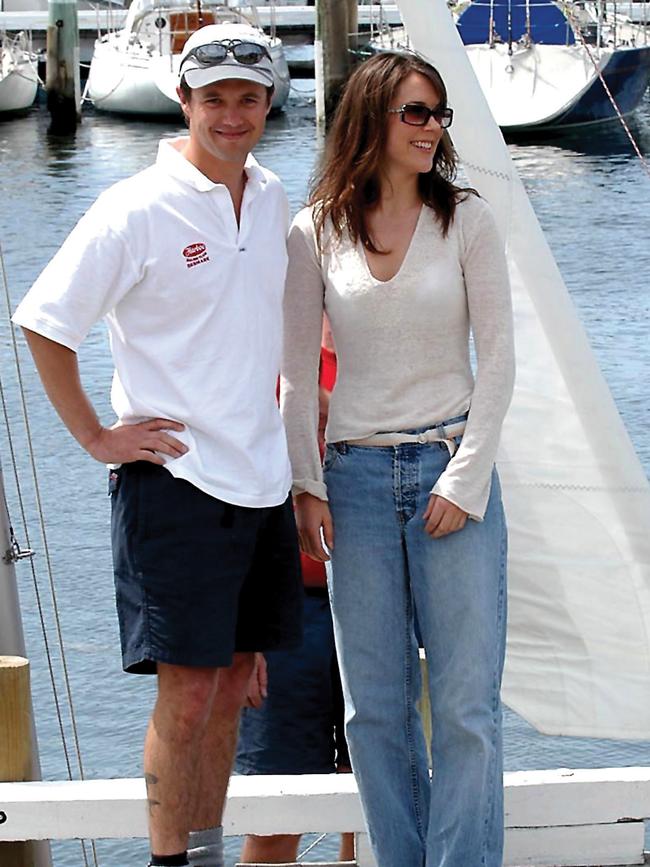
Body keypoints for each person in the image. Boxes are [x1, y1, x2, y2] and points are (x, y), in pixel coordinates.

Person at [12, 22, 302, 867]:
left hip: (262, 483)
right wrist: (97, 436)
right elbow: (43, 321)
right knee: (187, 698)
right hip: (173, 483)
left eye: (249, 98)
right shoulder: (134, 207)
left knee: (227, 697)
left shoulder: (276, 194)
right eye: (215, 99)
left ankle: (203, 856)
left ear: (269, 101)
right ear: (186, 102)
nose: (233, 115)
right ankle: (171, 862)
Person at [280, 51, 515, 867]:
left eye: (439, 113)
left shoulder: (468, 220)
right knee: (372, 712)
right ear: (372, 118)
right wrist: (307, 485)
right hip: (353, 480)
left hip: (451, 474)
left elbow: (501, 363)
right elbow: (297, 376)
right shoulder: (314, 230)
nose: (433, 128)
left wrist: (466, 477)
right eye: (416, 112)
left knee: (464, 711)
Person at [236, 335, 354, 866]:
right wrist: (243, 629)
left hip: (373, 599)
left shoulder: (388, 351)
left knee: (376, 797)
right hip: (282, 612)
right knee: (276, 804)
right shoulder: (260, 357)